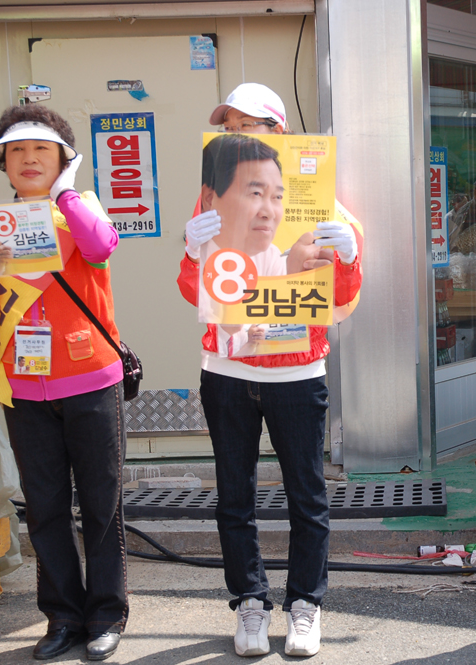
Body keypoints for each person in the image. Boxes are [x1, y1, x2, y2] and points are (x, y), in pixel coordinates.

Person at [177, 83, 363, 658]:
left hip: (297, 372)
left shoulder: (320, 201)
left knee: (307, 495)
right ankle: (250, 603)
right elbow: (194, 292)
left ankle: (305, 604)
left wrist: (349, 256)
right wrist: (191, 251)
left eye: (249, 123)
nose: (237, 131)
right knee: (234, 497)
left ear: (279, 132)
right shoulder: (211, 201)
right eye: (229, 124)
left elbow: (341, 298)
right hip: (226, 369)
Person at [0, 105, 128, 660]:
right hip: (24, 387)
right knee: (45, 508)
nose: (28, 159)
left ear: (63, 159)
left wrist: (67, 194)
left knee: (101, 505)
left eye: (41, 149)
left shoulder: (81, 208)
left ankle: (106, 614)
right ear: (3, 164)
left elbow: (101, 247)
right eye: (17, 151)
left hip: (91, 379)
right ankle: (63, 617)